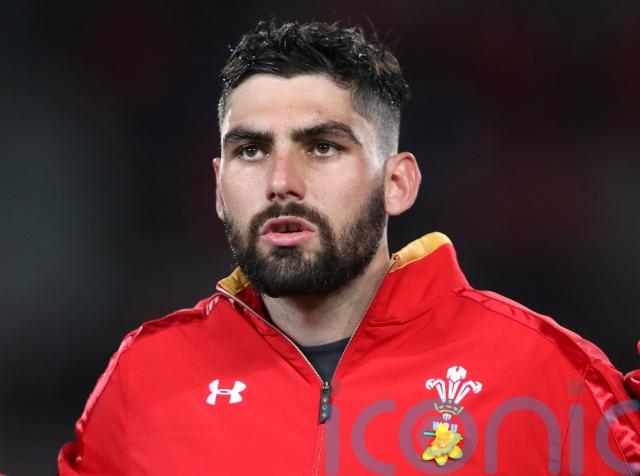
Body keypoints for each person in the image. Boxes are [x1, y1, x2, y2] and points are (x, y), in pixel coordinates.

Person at [58, 20, 640, 475]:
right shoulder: (146, 379)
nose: (281, 181)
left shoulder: (538, 372)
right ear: (217, 187)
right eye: (251, 151)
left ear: (397, 183)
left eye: (322, 147)